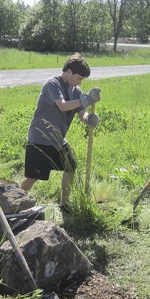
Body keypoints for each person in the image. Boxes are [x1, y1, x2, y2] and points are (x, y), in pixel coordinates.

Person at [21, 53, 101, 212]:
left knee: (70, 165)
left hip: (58, 140)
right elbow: (62, 106)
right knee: (33, 177)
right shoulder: (52, 84)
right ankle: (14, 203)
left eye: (82, 80)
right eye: (79, 78)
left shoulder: (76, 90)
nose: (80, 82)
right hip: (40, 138)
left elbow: (80, 111)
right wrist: (86, 100)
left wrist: (88, 118)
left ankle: (65, 204)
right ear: (69, 71)